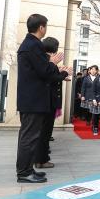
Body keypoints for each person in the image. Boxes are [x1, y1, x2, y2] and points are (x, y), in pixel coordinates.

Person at [15, 14, 68, 183]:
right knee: (29, 137)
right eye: (46, 26)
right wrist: (52, 63)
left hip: (32, 99)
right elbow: (44, 72)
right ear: (41, 28)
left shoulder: (30, 44)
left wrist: (51, 65)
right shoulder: (34, 45)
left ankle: (28, 169)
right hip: (33, 100)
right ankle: (24, 172)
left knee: (31, 136)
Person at [37, 37, 67, 169]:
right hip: (46, 102)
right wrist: (64, 73)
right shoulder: (46, 60)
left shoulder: (46, 60)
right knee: (44, 133)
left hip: (48, 101)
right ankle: (41, 159)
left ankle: (41, 157)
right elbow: (51, 77)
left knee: (45, 133)